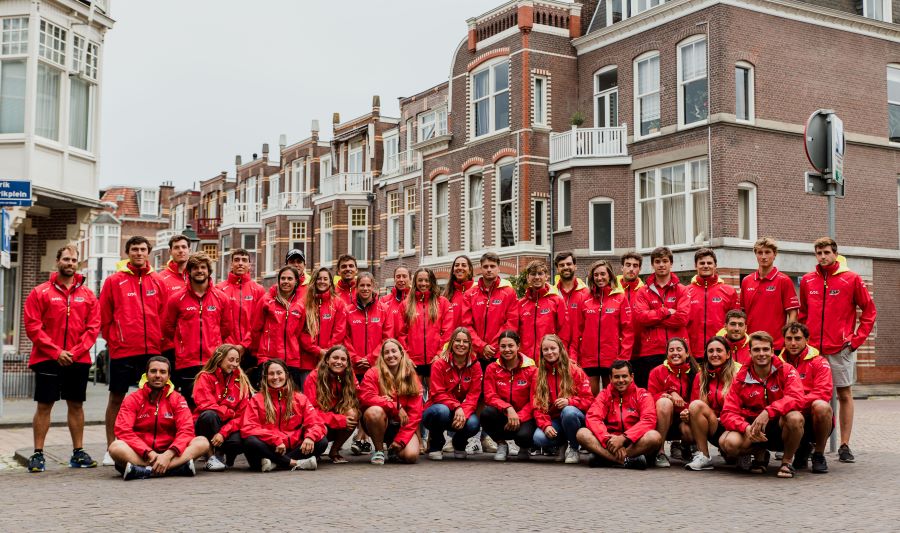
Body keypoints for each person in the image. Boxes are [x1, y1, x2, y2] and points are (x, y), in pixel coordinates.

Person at [24, 244, 101, 472]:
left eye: (73, 260)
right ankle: (38, 454)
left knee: (76, 405)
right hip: (47, 358)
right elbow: (33, 327)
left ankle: (78, 452)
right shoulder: (40, 292)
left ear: (77, 263)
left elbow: (93, 328)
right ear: (57, 261)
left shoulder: (88, 295)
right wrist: (56, 352)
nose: (70, 263)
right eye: (66, 259)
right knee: (44, 405)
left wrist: (75, 353)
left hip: (77, 359)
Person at [798, 237, 876, 463]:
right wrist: (804, 344)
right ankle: (810, 443)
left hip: (839, 348)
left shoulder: (851, 279)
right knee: (810, 397)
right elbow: (803, 314)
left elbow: (869, 312)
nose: (822, 256)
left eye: (826, 252)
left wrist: (855, 341)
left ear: (835, 253)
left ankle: (844, 445)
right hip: (812, 351)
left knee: (843, 394)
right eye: (818, 253)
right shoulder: (807, 281)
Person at [99, 236, 168, 466]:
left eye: (142, 249)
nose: (138, 253)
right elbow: (104, 316)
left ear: (148, 252)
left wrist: (159, 340)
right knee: (117, 398)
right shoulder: (113, 281)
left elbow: (164, 315)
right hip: (123, 350)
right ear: (128, 252)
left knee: (152, 399)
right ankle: (111, 447)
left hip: (152, 351)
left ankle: (146, 445)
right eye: (134, 249)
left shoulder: (157, 281)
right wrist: (114, 340)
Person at [719, 331, 806, 478]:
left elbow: (797, 398)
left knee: (795, 417)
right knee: (728, 443)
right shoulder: (740, 377)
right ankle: (759, 454)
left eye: (765, 349)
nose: (761, 353)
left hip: (778, 423)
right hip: (752, 426)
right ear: (750, 352)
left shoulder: (787, 370)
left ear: (772, 351)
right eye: (756, 349)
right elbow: (728, 412)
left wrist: (769, 411)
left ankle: (786, 462)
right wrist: (745, 428)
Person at [108, 356, 208, 480]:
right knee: (115, 447)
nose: (157, 375)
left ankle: (144, 470)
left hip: (170, 453)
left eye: (163, 372)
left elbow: (186, 430)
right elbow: (123, 430)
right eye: (153, 371)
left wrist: (168, 454)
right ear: (146, 374)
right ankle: (173, 469)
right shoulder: (132, 399)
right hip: (141, 454)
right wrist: (149, 453)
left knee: (202, 442)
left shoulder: (178, 399)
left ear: (169, 376)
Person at [162, 252, 233, 408]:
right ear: (189, 271)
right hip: (186, 362)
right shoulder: (176, 299)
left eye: (203, 267)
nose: (199, 271)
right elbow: (168, 328)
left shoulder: (222, 298)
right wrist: (182, 345)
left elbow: (226, 328)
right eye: (195, 268)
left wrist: (213, 345)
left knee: (212, 404)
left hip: (213, 362)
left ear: (208, 271)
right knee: (189, 404)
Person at [240, 358, 328, 471]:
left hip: (291, 447)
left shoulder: (300, 398)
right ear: (265, 378)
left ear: (286, 375)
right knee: (250, 442)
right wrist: (275, 440)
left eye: (279, 373)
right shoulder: (257, 399)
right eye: (271, 374)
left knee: (321, 441)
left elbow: (316, 423)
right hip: (270, 446)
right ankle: (293, 462)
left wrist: (310, 437)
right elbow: (248, 427)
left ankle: (274, 463)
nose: (275, 377)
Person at [576, 360, 662, 469]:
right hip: (609, 441)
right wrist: (607, 439)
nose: (621, 380)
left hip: (634, 442)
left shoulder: (643, 394)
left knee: (654, 436)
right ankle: (625, 460)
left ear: (632, 377)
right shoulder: (604, 394)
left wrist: (624, 438)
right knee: (582, 433)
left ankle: (606, 458)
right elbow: (593, 418)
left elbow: (648, 420)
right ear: (610, 378)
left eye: (624, 376)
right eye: (617, 377)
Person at [344, 272, 391, 456]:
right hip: (355, 367)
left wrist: (371, 358)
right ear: (357, 287)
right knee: (356, 402)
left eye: (368, 285)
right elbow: (344, 337)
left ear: (374, 287)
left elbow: (387, 337)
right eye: (361, 285)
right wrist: (355, 358)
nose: (365, 289)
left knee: (372, 402)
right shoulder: (348, 311)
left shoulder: (383, 309)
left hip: (375, 367)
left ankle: (369, 439)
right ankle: (360, 438)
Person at [631, 246, 690, 388]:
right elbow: (641, 318)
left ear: (671, 263)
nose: (661, 265)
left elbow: (682, 318)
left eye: (665, 261)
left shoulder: (682, 289)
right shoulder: (642, 291)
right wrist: (666, 311)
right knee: (651, 393)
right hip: (650, 350)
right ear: (652, 265)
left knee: (678, 392)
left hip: (676, 350)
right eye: (657, 261)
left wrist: (654, 319)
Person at [358, 339, 424, 465]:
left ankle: (394, 449)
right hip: (380, 422)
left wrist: (401, 440)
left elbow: (415, 414)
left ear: (401, 353)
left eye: (394, 351)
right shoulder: (373, 373)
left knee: (410, 456)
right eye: (386, 352)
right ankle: (379, 450)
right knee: (374, 411)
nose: (390, 355)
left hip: (402, 425)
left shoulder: (411, 375)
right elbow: (366, 397)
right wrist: (395, 406)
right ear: (382, 356)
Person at [779, 322, 834, 473]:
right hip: (788, 415)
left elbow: (823, 392)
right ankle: (799, 449)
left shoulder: (819, 362)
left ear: (807, 340)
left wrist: (795, 402)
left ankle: (818, 454)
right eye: (789, 338)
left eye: (798, 338)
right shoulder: (776, 363)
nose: (793, 343)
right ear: (783, 340)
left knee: (822, 406)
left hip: (812, 416)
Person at [573, 260, 633, 394]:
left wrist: (623, 357)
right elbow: (577, 330)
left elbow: (628, 331)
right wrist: (575, 356)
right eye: (596, 275)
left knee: (611, 398)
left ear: (610, 275)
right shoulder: (584, 298)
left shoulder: (620, 298)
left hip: (612, 358)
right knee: (589, 398)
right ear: (591, 277)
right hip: (588, 359)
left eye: (602, 274)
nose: (599, 278)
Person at [531, 335, 593, 464]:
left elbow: (589, 400)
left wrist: (570, 401)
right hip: (554, 420)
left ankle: (574, 447)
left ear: (560, 349)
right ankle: (562, 444)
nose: (549, 352)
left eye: (553, 348)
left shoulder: (575, 370)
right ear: (541, 352)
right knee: (539, 438)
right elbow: (536, 405)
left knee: (568, 411)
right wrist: (545, 425)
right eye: (545, 349)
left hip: (575, 417)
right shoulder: (538, 374)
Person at [192, 344, 253, 471]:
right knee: (209, 415)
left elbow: (242, 415)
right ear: (219, 359)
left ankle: (228, 457)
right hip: (207, 423)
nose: (235, 364)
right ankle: (211, 457)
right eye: (231, 360)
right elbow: (206, 405)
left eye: (237, 361)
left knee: (241, 439)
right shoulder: (204, 377)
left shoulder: (241, 381)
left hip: (228, 426)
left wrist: (223, 433)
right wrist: (230, 412)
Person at [684, 336, 739, 471]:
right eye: (711, 351)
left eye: (719, 351)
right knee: (694, 408)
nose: (714, 354)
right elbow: (695, 403)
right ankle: (704, 456)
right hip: (715, 425)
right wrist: (687, 413)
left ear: (727, 354)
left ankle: (748, 452)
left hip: (735, 425)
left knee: (733, 457)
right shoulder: (700, 376)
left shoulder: (739, 374)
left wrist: (726, 418)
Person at [481, 331, 537, 462]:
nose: (507, 350)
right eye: (503, 346)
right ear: (498, 348)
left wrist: (519, 417)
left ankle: (524, 447)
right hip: (503, 414)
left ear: (518, 346)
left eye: (511, 346)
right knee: (486, 413)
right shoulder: (491, 368)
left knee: (524, 436)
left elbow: (535, 400)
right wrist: (508, 408)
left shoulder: (532, 369)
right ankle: (501, 444)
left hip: (524, 417)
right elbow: (490, 396)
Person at [739, 237, 799, 350]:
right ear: (755, 255)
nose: (763, 256)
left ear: (774, 254)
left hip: (776, 345)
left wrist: (787, 338)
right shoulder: (746, 281)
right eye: (760, 253)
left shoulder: (784, 280)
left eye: (767, 252)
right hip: (751, 344)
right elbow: (742, 314)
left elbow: (793, 313)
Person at [303, 345, 360, 464]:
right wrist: (339, 420)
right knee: (319, 435)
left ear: (348, 363)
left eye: (343, 359)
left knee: (353, 413)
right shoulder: (313, 377)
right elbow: (311, 412)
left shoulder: (349, 376)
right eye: (335, 358)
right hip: (318, 421)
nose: (339, 362)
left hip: (335, 417)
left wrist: (384, 399)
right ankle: (315, 448)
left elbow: (362, 395)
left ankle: (334, 450)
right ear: (327, 359)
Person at [250, 266, 305, 387]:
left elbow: (298, 332)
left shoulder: (301, 304)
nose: (286, 281)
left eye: (290, 278)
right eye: (283, 278)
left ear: (296, 281)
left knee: (291, 401)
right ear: (278, 280)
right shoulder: (266, 300)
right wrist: (259, 353)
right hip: (268, 359)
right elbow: (255, 329)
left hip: (292, 360)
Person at [647, 337, 697, 467]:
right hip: (662, 419)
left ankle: (687, 447)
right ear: (667, 354)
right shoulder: (657, 371)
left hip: (684, 419)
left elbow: (697, 401)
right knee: (664, 403)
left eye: (679, 349)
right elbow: (649, 398)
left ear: (687, 353)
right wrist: (670, 395)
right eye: (671, 350)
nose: (675, 353)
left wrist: (685, 409)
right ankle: (659, 451)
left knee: (690, 430)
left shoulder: (697, 373)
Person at [399, 268, 453, 384]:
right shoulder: (405, 305)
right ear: (415, 282)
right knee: (415, 397)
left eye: (427, 280)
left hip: (435, 360)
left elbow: (448, 331)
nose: (423, 283)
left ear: (432, 282)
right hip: (413, 362)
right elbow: (401, 333)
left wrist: (439, 354)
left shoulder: (442, 303)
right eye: (420, 280)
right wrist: (406, 356)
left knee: (434, 396)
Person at [462, 252, 519, 363]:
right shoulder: (469, 294)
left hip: (500, 353)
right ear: (481, 269)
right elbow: (466, 325)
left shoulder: (509, 292)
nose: (489, 269)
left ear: (498, 269)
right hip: (476, 354)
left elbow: (512, 323)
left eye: (492, 266)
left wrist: (494, 346)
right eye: (485, 266)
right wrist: (482, 346)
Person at [217, 248, 266, 371]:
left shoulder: (258, 290)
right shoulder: (219, 289)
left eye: (244, 260)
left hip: (250, 350)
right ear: (231, 264)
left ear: (250, 265)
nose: (240, 263)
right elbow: (217, 321)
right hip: (226, 349)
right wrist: (229, 346)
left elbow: (259, 322)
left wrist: (244, 345)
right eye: (236, 260)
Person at [686, 248, 739, 358]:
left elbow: (735, 323)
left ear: (715, 266)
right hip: (693, 353)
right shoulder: (686, 291)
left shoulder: (729, 291)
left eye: (709, 263)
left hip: (720, 351)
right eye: (702, 263)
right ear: (695, 266)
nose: (706, 266)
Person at [300, 267, 347, 385]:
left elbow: (339, 331)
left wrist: (327, 352)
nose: (322, 281)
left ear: (330, 282)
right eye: (319, 278)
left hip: (330, 360)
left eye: (325, 279)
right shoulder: (304, 303)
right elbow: (301, 332)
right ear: (314, 281)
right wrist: (318, 351)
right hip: (307, 361)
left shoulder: (338, 303)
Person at [517, 260, 569, 360]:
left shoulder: (557, 301)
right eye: (533, 274)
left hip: (549, 358)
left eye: (540, 273)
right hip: (526, 360)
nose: (537, 277)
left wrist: (561, 355)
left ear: (546, 277)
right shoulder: (521, 304)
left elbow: (564, 332)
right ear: (528, 278)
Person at [158, 235, 190, 369]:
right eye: (176, 247)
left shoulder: (197, 276)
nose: (181, 250)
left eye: (184, 247)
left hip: (192, 344)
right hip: (169, 345)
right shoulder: (160, 279)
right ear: (170, 251)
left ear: (189, 250)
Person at [553, 252, 588, 354]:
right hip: (557, 350)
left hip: (582, 350)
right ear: (557, 269)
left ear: (575, 266)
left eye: (569, 264)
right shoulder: (552, 294)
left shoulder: (586, 293)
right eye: (562, 265)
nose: (565, 267)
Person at [617, 251, 645, 358]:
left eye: (635, 266)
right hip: (617, 349)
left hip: (640, 349)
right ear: (622, 267)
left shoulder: (645, 292)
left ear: (640, 269)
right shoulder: (612, 290)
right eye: (628, 265)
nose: (631, 269)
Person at [443, 256, 474, 330]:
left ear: (470, 270)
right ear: (453, 271)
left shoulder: (477, 290)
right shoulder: (446, 294)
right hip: (452, 340)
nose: (460, 267)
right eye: (456, 265)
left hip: (473, 340)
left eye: (463, 265)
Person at [380, 265, 411, 332]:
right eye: (398, 276)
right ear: (394, 279)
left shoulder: (416, 300)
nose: (401, 279)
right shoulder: (384, 301)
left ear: (410, 279)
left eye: (404, 276)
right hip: (391, 341)